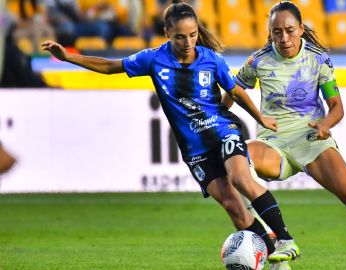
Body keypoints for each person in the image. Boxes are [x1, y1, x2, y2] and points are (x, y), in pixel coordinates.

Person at [41, 1, 299, 268]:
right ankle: (275, 259)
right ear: (167, 33)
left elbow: (235, 91)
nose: (188, 42)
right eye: (180, 36)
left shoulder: (211, 59)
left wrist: (260, 118)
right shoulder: (153, 59)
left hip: (223, 130)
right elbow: (109, 66)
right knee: (233, 206)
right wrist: (68, 57)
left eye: (192, 35)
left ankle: (285, 239)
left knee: (240, 178)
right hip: (195, 150)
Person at [224, 1, 346, 269]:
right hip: (273, 144)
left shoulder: (318, 59)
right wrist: (216, 119)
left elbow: (337, 107)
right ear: (270, 33)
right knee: (236, 157)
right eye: (277, 32)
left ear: (301, 29)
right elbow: (234, 92)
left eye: (290, 30)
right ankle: (274, 241)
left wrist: (326, 124)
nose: (284, 37)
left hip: (311, 140)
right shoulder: (258, 60)